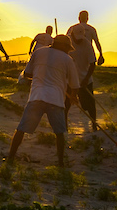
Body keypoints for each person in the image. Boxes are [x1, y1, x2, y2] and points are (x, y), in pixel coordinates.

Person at [7, 35, 80, 167]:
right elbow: (75, 85)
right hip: (55, 99)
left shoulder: (39, 52)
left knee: (21, 129)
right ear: (64, 46)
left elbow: (27, 74)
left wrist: (41, 75)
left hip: (37, 97)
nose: (68, 51)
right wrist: (73, 96)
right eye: (67, 48)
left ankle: (10, 157)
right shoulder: (67, 59)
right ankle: (61, 163)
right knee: (59, 133)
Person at [66, 11, 103, 131]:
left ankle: (94, 126)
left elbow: (93, 63)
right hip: (69, 79)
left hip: (84, 77)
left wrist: (86, 79)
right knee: (65, 104)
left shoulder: (87, 43)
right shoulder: (70, 35)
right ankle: (64, 126)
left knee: (89, 105)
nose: (79, 41)